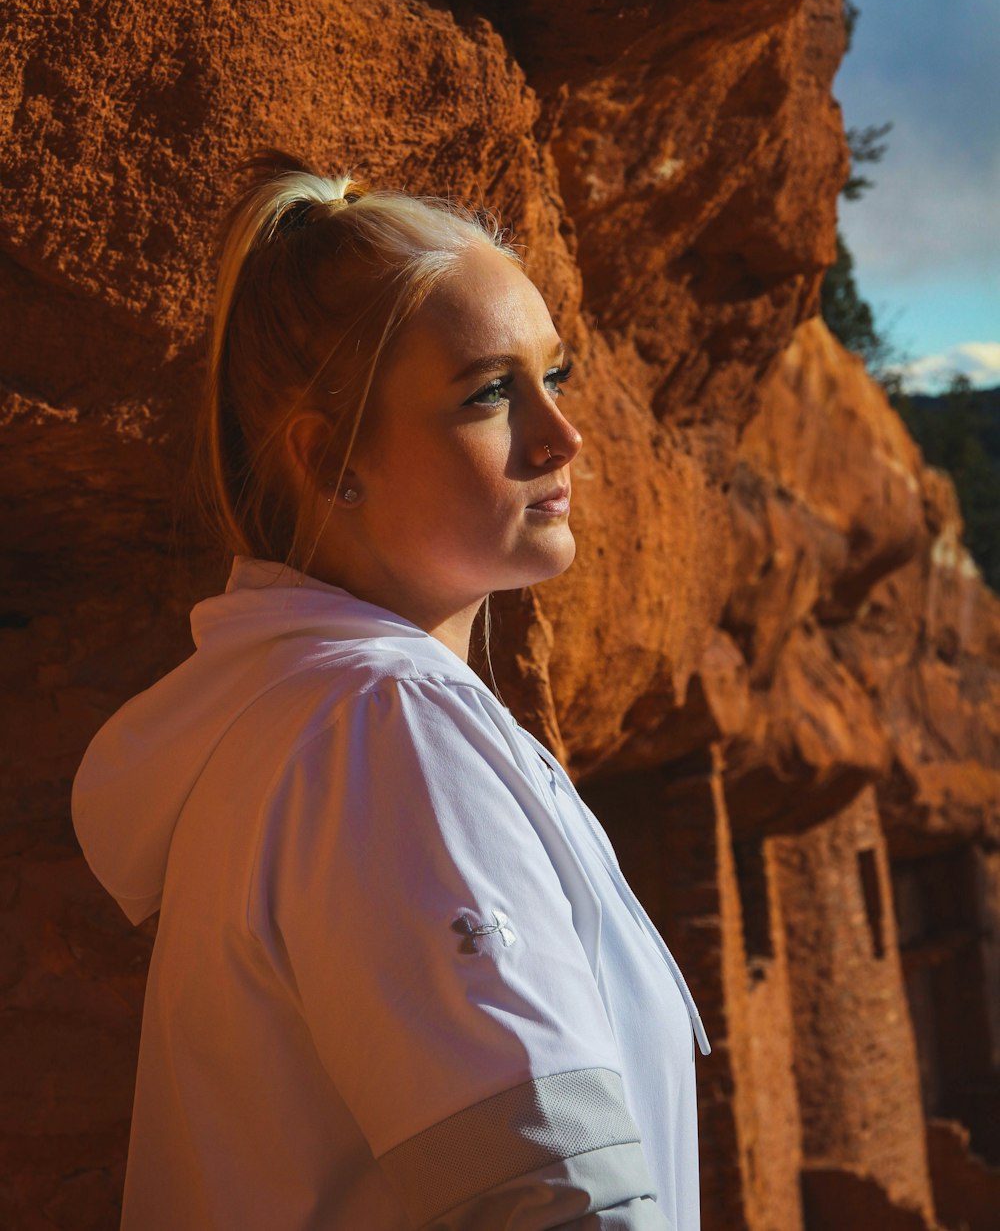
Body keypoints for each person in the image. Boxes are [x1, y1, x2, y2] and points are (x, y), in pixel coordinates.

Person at [72, 148, 711, 1231]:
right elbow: (555, 1199)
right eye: (489, 393)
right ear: (329, 459)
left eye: (551, 375)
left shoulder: (311, 723)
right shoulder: (382, 729)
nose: (562, 434)